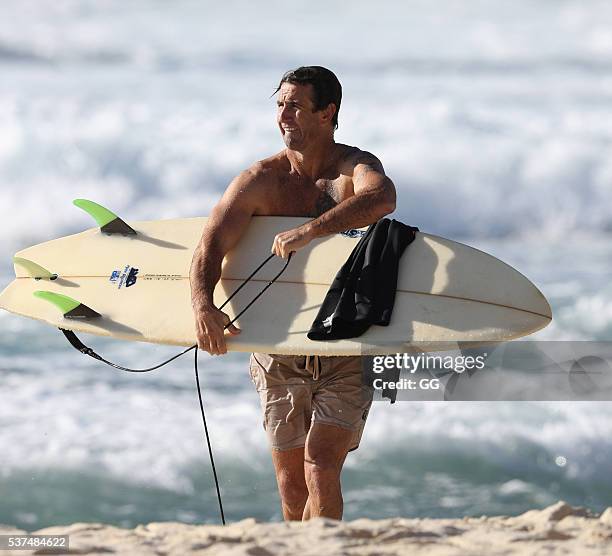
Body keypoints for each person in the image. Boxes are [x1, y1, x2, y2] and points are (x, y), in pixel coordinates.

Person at [190, 66, 396, 521]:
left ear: (328, 112)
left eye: (296, 106)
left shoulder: (351, 169)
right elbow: (209, 246)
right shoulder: (261, 180)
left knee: (321, 466)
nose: (284, 115)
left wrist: (311, 230)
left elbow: (381, 199)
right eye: (280, 104)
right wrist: (203, 305)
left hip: (346, 345)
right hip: (277, 345)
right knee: (290, 484)